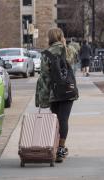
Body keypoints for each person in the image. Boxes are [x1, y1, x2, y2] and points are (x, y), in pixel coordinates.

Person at [35, 28, 76, 163]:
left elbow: (44, 77)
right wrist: (65, 44)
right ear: (61, 37)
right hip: (67, 91)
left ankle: (56, 147)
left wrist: (43, 98)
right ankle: (61, 149)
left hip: (53, 93)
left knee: (57, 120)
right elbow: (74, 60)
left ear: (50, 38)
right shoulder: (67, 50)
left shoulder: (46, 54)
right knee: (64, 120)